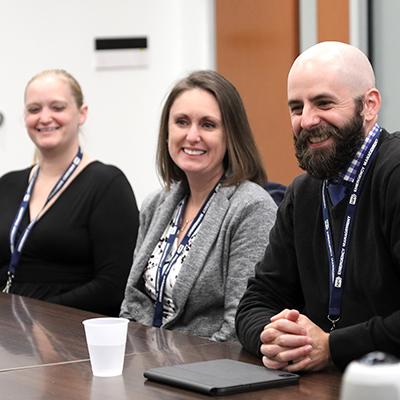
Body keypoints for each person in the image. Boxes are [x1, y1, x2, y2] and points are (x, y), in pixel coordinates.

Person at [235, 41, 400, 372]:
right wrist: (273, 337)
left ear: (369, 105)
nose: (307, 120)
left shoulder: (394, 174)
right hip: (325, 384)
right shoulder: (305, 191)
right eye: (296, 108)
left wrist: (332, 346)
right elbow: (255, 302)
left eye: (323, 103)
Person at [120, 70, 277, 341]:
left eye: (208, 125)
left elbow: (238, 327)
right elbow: (132, 305)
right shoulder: (155, 204)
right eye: (182, 122)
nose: (192, 136)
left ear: (231, 135)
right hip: (145, 363)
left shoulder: (252, 209)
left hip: (207, 371)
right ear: (167, 132)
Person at [0, 69, 139, 316]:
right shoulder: (8, 184)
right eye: (34, 109)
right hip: (10, 335)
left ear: (81, 114)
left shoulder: (107, 185)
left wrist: (39, 316)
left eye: (57, 107)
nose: (44, 118)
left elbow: (113, 286)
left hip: (67, 336)